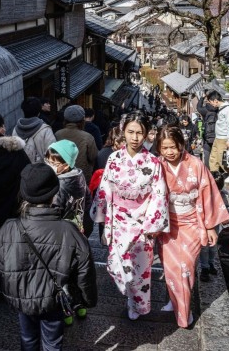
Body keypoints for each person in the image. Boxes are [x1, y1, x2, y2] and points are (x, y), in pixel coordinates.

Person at [0, 163, 97, 351]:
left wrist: (10, 287)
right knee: (52, 342)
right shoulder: (68, 230)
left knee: (27, 339)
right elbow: (85, 270)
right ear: (55, 193)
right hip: (54, 300)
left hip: (22, 297)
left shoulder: (9, 227)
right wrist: (86, 299)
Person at [90, 111, 169, 320]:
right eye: (131, 132)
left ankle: (136, 305)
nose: (135, 137)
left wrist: (152, 225)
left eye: (140, 133)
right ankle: (129, 295)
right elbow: (105, 188)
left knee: (141, 270)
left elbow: (159, 195)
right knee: (117, 265)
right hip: (119, 221)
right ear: (122, 132)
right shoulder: (114, 158)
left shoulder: (153, 162)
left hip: (143, 223)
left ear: (146, 135)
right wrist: (101, 214)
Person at [155, 125, 229, 328]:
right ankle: (176, 301)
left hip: (191, 223)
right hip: (167, 224)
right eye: (165, 148)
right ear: (159, 149)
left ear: (181, 144)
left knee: (185, 267)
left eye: (173, 146)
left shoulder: (196, 164)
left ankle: (184, 311)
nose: (170, 152)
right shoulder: (156, 166)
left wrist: (209, 227)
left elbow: (208, 194)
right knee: (170, 268)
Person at [46, 140, 92, 237]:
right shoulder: (79, 176)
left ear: (66, 165)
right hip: (78, 227)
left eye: (54, 163)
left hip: (62, 232)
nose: (49, 165)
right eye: (47, 161)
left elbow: (54, 211)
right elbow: (88, 201)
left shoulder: (60, 184)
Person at [199, 172, 229, 282]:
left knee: (212, 247)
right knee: (204, 247)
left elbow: (227, 208)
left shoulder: (224, 195)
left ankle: (211, 263)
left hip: (215, 224)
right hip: (203, 224)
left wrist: (228, 214)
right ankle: (204, 268)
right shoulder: (201, 194)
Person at [55, 105, 98, 184]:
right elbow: (93, 156)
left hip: (61, 176)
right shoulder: (87, 137)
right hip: (81, 177)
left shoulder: (57, 134)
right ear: (82, 120)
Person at [12, 97, 56, 163]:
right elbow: (53, 156)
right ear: (39, 112)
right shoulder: (45, 130)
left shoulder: (15, 130)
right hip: (40, 171)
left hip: (21, 171)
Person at [206, 91, 229, 172]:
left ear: (215, 100)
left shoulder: (227, 109)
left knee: (223, 161)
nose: (212, 105)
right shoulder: (220, 109)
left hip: (223, 138)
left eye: (211, 102)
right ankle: (214, 177)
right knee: (213, 159)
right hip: (217, 138)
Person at [197, 93, 217, 166]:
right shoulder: (218, 109)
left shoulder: (204, 110)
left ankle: (208, 171)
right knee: (216, 155)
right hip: (217, 136)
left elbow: (198, 107)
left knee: (207, 154)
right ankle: (217, 172)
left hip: (207, 136)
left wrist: (202, 98)